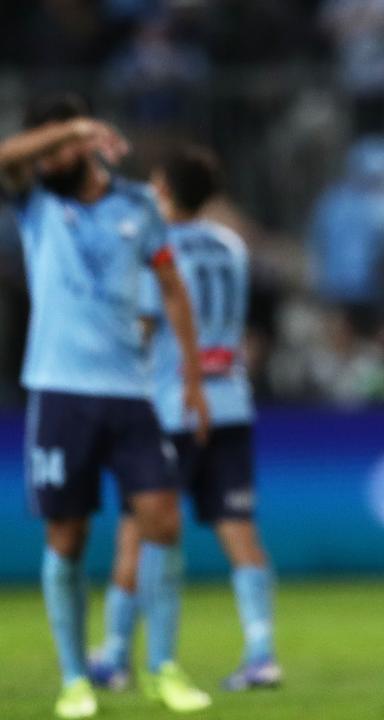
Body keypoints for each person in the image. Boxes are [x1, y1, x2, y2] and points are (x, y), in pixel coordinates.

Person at [0, 94, 212, 717]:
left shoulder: (138, 207)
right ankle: (74, 678)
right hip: (59, 392)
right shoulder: (36, 200)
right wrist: (71, 128)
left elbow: (171, 288)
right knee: (66, 537)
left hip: (131, 393)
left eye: (61, 143)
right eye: (46, 142)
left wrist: (193, 379)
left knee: (163, 522)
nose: (50, 155)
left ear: (88, 149)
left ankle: (163, 668)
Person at [86, 144, 282, 693]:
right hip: (232, 403)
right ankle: (262, 652)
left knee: (136, 533)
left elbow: (147, 325)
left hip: (171, 405)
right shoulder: (230, 245)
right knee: (240, 532)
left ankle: (118, 657)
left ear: (164, 189)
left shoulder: (157, 247)